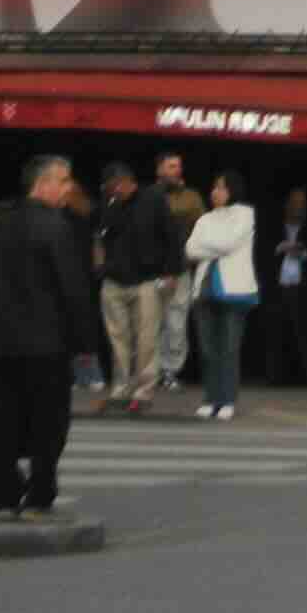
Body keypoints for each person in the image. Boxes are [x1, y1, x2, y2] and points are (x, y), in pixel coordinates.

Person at [0, 156, 103, 521]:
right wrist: (85, 343)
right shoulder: (58, 228)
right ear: (43, 184)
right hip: (46, 343)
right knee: (47, 423)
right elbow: (72, 289)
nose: (68, 188)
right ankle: (40, 492)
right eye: (64, 180)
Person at [93, 162, 185, 416]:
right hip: (113, 280)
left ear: (125, 182)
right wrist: (99, 266)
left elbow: (171, 236)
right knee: (117, 339)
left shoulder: (153, 200)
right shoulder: (109, 203)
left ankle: (143, 393)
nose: (112, 191)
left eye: (114, 186)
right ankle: (121, 389)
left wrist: (172, 272)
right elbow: (99, 236)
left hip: (146, 280)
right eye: (109, 188)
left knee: (146, 340)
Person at [183, 172, 258, 421]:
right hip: (204, 291)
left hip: (233, 291)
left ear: (233, 190)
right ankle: (210, 398)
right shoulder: (205, 218)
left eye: (221, 188)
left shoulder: (245, 214)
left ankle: (227, 400)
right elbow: (190, 249)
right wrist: (212, 246)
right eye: (214, 187)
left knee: (228, 348)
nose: (215, 192)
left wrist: (207, 245)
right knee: (208, 349)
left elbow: (229, 243)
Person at [258, 188, 307, 389]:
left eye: (302, 204)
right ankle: (274, 376)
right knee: (275, 333)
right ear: (286, 205)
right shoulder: (273, 229)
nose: (298, 207)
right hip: (278, 288)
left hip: (303, 289)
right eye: (294, 203)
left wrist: (303, 253)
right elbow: (261, 253)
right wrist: (280, 248)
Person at [151, 153, 204, 388]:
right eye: (171, 166)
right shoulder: (148, 195)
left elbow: (202, 227)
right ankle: (149, 371)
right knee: (150, 321)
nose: (177, 170)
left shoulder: (191, 197)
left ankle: (170, 371)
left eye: (179, 166)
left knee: (176, 321)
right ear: (159, 170)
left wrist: (191, 256)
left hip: (180, 268)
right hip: (151, 269)